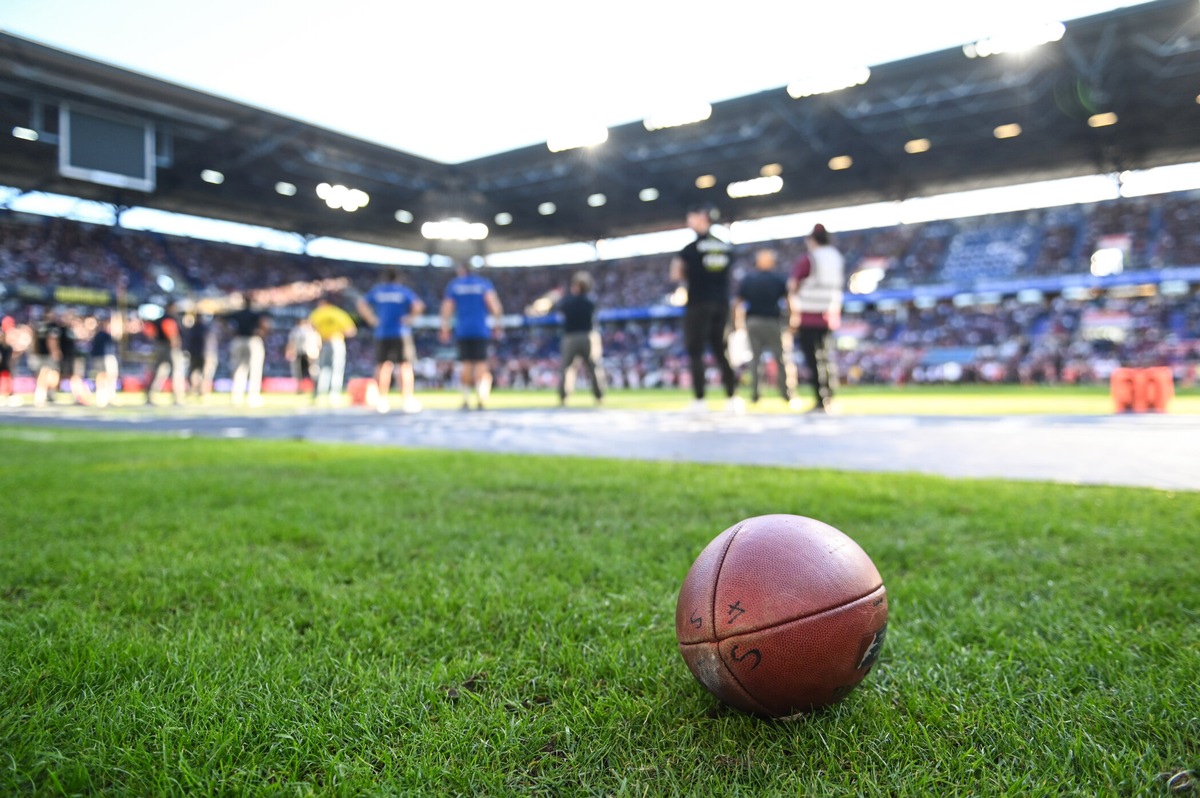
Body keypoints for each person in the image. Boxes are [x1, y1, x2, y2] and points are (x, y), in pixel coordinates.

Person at [669, 205, 743, 414]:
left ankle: (700, 401)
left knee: (695, 352)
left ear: (702, 218)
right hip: (721, 303)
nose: (688, 221)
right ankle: (732, 398)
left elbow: (677, 274)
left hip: (698, 303)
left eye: (691, 217)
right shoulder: (725, 246)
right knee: (722, 351)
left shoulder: (690, 249)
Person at [788, 223, 845, 414]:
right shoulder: (836, 257)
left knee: (813, 360)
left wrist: (793, 311)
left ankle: (820, 400)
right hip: (829, 314)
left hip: (808, 315)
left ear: (812, 240)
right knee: (826, 357)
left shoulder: (811, 258)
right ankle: (830, 397)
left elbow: (794, 284)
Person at [735, 248, 799, 408]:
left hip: (754, 322)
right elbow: (789, 301)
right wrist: (792, 320)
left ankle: (756, 395)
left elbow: (738, 304)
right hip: (772, 322)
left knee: (755, 360)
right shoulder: (777, 279)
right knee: (781, 359)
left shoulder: (748, 279)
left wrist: (739, 323)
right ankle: (787, 394)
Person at [357, 269, 423, 414]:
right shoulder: (402, 291)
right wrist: (410, 318)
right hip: (400, 332)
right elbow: (418, 306)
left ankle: (381, 400)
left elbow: (361, 304)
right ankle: (407, 400)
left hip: (382, 333)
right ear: (398, 279)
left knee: (382, 366)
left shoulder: (378, 291)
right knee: (404, 366)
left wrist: (371, 319)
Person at [440, 262, 503, 411]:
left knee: (466, 364)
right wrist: (497, 325)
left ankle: (465, 398)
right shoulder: (483, 284)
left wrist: (444, 328)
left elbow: (447, 308)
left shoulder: (455, 285)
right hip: (480, 330)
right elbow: (495, 307)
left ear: (462, 270)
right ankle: (481, 398)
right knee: (481, 363)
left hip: (463, 330)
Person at [555, 270, 606, 406]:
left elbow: (559, 308)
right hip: (589, 336)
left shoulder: (567, 301)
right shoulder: (591, 300)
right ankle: (599, 396)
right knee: (594, 367)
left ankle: (564, 397)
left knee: (567, 368)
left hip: (571, 337)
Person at [308, 294, 357, 404]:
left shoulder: (317, 313)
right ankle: (334, 394)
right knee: (337, 369)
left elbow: (311, 327)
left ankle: (320, 394)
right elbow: (351, 330)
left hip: (323, 342)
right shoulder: (338, 313)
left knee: (323, 368)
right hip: (337, 341)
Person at [227, 292, 269, 407]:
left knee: (238, 369)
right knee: (255, 369)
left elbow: (225, 322)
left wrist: (231, 333)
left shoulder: (237, 313)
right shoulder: (256, 314)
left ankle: (236, 397)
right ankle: (253, 396)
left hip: (238, 340)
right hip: (252, 340)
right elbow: (265, 324)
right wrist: (262, 334)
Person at [144, 301, 185, 405]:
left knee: (158, 372)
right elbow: (172, 334)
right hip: (168, 348)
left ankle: (150, 396)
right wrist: (175, 344)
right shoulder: (169, 319)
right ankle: (177, 398)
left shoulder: (157, 320)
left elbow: (150, 334)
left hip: (158, 346)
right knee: (176, 372)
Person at [89, 311, 122, 408]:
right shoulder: (103, 334)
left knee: (108, 377)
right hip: (104, 357)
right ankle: (104, 396)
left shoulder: (101, 334)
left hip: (104, 357)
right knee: (104, 376)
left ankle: (107, 396)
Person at [183, 312, 217, 399]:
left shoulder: (192, 329)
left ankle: (194, 390)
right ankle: (202, 391)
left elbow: (187, 342)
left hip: (195, 353)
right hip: (206, 353)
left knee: (194, 373)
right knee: (206, 373)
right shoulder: (207, 328)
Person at [285, 316, 321, 396]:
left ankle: (310, 388)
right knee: (306, 371)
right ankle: (312, 389)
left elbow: (291, 343)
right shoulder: (310, 331)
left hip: (307, 353)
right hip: (304, 353)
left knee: (310, 371)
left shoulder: (305, 331)